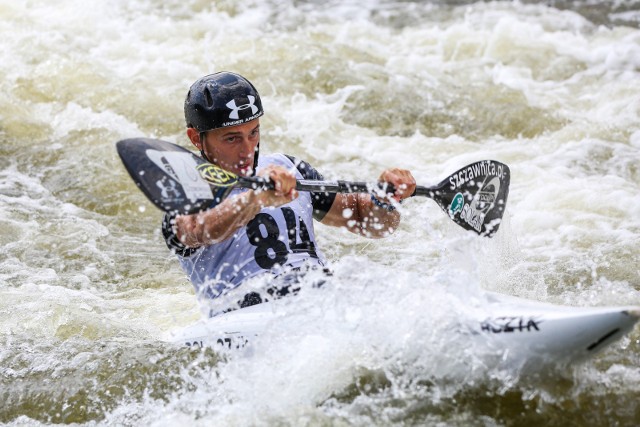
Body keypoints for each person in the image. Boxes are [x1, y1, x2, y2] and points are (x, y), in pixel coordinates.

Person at [162, 71, 416, 314]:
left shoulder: (289, 168)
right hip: (245, 314)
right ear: (196, 138)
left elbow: (367, 221)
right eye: (232, 138)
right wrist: (254, 198)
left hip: (318, 296)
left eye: (254, 133)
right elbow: (199, 229)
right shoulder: (182, 189)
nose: (247, 149)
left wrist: (383, 199)